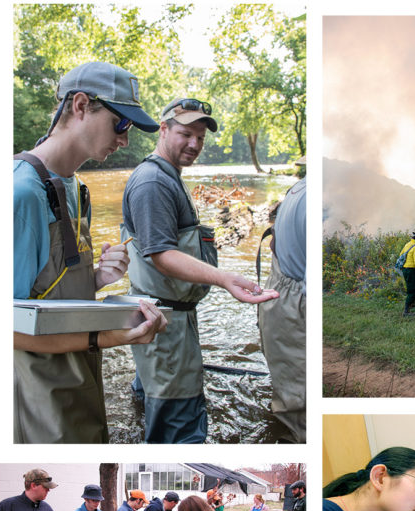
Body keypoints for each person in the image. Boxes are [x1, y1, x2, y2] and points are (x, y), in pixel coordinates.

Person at [14, 61, 168, 443]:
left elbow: (44, 292)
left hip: (78, 385)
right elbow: (6, 327)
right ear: (81, 105)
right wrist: (109, 336)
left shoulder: (77, 188)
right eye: (121, 124)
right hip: (35, 404)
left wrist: (98, 278)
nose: (125, 140)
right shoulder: (20, 195)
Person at [122, 97, 279, 443]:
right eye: (185, 134)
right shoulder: (153, 183)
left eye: (201, 138)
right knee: (179, 424)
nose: (194, 144)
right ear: (163, 130)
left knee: (151, 401)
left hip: (163, 317)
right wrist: (225, 279)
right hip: (165, 326)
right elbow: (162, 255)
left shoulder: (167, 176)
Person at [257, 173, 306, 442]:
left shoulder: (298, 190)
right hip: (291, 308)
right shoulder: (311, 196)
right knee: (300, 416)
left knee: (289, 406)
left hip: (278, 301)